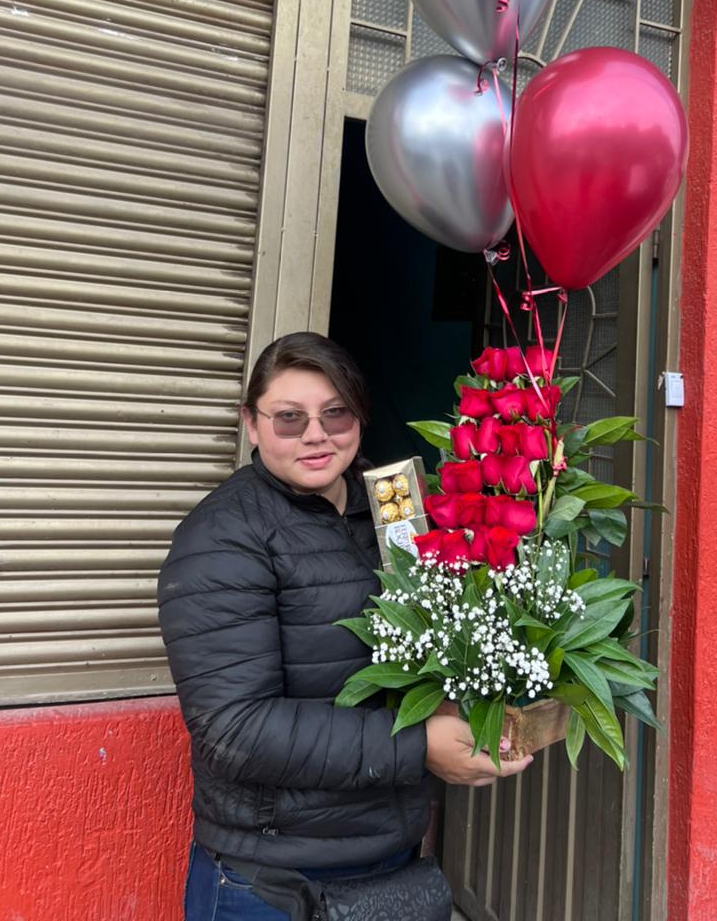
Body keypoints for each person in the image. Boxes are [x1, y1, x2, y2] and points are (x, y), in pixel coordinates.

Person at [158, 331, 531, 921]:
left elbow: (430, 645)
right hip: (276, 883)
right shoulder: (222, 537)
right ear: (251, 425)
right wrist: (419, 746)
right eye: (289, 418)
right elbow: (237, 728)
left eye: (336, 412)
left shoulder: (394, 507)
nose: (316, 433)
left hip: (393, 862)